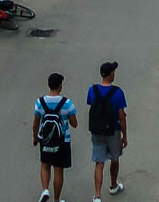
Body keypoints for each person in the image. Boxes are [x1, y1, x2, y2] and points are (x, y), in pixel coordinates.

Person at [33, 71, 78, 202]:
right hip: (62, 141)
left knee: (45, 165)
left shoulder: (40, 102)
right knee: (58, 170)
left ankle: (45, 190)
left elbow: (36, 123)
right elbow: (74, 124)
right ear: (60, 86)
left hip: (45, 140)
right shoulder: (67, 103)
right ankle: (56, 200)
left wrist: (35, 138)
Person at [86, 62, 127, 201]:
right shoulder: (118, 92)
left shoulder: (92, 90)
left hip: (97, 131)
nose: (114, 74)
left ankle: (97, 195)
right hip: (113, 131)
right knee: (114, 159)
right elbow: (122, 116)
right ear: (110, 74)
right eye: (113, 72)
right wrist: (124, 135)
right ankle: (113, 185)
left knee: (99, 162)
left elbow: (93, 106)